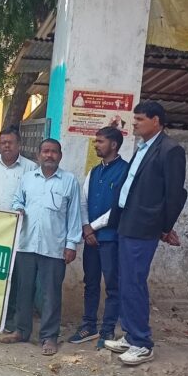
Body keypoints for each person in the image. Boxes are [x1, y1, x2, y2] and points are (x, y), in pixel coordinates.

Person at [104, 101, 187, 365]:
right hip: (126, 223)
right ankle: (131, 335)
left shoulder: (170, 150)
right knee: (125, 281)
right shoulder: (142, 147)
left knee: (134, 282)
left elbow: (175, 194)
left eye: (140, 119)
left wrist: (164, 228)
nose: (135, 123)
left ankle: (142, 343)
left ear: (156, 121)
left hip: (143, 227)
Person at [2, 139, 82, 356]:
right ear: (38, 155)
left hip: (54, 247)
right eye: (45, 151)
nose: (49, 155)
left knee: (50, 294)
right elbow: (17, 200)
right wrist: (18, 208)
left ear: (60, 156)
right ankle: (21, 331)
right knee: (23, 290)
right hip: (26, 244)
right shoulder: (28, 178)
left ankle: (49, 336)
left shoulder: (69, 181)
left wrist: (71, 244)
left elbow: (74, 214)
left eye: (54, 152)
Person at [67, 127, 129, 349]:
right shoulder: (94, 171)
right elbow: (83, 201)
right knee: (90, 282)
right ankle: (88, 325)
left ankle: (108, 329)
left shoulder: (126, 171)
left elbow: (119, 207)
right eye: (96, 141)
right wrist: (86, 227)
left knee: (113, 285)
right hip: (91, 238)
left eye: (100, 141)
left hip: (111, 238)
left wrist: (91, 227)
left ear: (113, 144)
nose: (96, 145)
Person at [0, 128, 37, 332]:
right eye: (3, 142)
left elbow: (33, 197)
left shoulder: (30, 168)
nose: (6, 145)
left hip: (17, 231)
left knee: (13, 275)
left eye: (10, 142)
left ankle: (10, 317)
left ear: (19, 144)